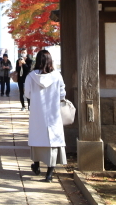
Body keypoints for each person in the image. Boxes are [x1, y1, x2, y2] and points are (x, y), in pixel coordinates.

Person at [24, 49, 67, 183]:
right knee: (52, 141)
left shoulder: (31, 76)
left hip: (37, 112)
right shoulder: (57, 76)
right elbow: (62, 94)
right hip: (53, 112)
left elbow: (27, 94)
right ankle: (49, 173)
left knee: (37, 137)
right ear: (50, 61)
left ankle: (36, 165)